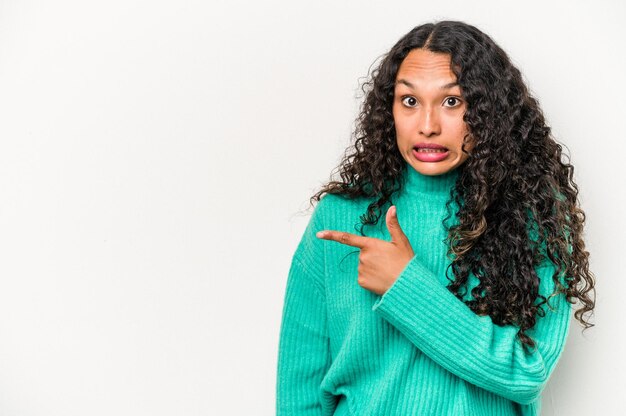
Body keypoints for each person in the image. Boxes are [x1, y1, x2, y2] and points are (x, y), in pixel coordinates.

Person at [276, 20, 595, 416]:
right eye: (409, 101)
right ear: (388, 108)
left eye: (452, 102)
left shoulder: (532, 218)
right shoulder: (341, 216)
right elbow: (299, 391)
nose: (427, 125)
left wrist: (404, 284)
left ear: (487, 112)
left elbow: (530, 373)